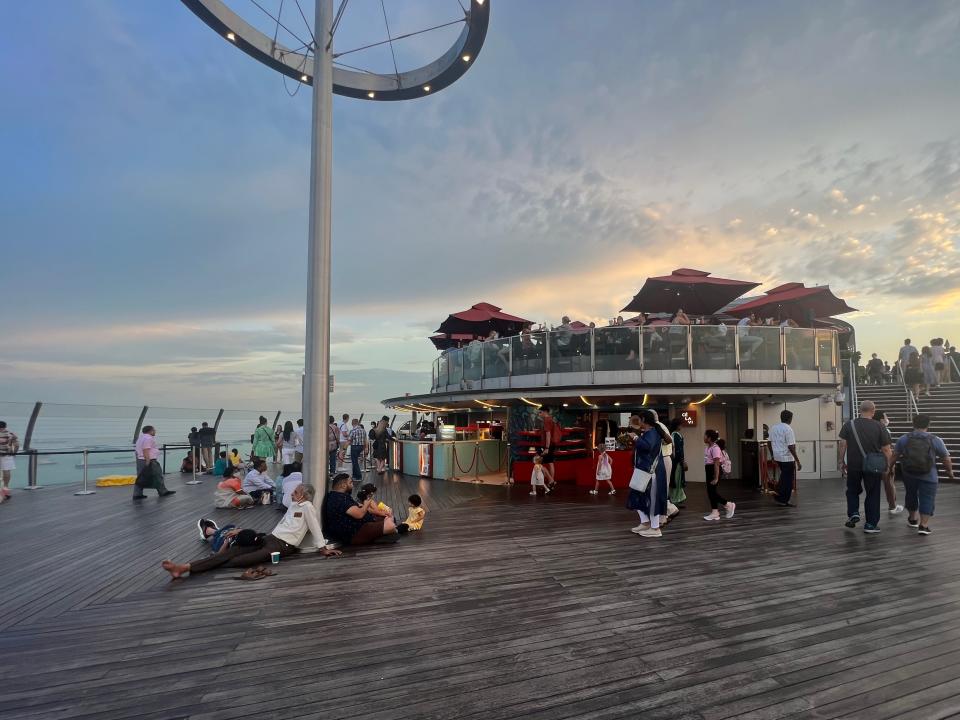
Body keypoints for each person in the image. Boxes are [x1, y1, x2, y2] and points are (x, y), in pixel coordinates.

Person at [162, 484, 341, 579]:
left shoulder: (308, 507)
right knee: (233, 551)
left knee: (239, 560)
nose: (292, 493)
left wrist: (323, 548)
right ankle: (184, 567)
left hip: (283, 545)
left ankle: (193, 567)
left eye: (296, 491)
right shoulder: (294, 505)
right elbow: (282, 524)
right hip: (270, 538)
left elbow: (315, 527)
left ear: (303, 495)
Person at [838, 399, 893, 533]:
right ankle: (870, 524)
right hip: (873, 465)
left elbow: (842, 444)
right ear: (873, 411)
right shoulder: (880, 426)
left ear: (860, 410)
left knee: (852, 490)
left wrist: (840, 461)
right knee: (873, 493)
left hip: (853, 464)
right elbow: (886, 449)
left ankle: (854, 513)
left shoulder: (848, 425)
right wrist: (889, 465)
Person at [895, 414, 955, 535]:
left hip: (909, 474)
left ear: (913, 423)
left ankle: (912, 519)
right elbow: (946, 458)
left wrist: (888, 467)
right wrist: (949, 472)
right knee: (927, 498)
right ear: (928, 424)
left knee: (911, 495)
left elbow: (894, 455)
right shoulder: (935, 439)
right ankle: (923, 525)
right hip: (929, 475)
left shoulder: (904, 438)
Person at [626, 409, 669, 538]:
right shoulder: (651, 432)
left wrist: (635, 438)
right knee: (637, 495)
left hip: (651, 472)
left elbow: (647, 447)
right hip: (645, 470)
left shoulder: (652, 433)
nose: (638, 422)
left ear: (644, 420)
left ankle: (655, 528)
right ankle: (645, 523)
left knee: (652, 499)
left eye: (639, 419)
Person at [321, 473, 398, 546]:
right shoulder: (340, 500)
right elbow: (359, 514)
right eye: (350, 483)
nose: (352, 485)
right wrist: (366, 504)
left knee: (389, 518)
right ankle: (382, 534)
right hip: (354, 532)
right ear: (343, 485)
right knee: (390, 525)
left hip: (360, 524)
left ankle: (381, 534)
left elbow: (358, 505)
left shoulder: (338, 496)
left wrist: (379, 512)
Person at [874, 410, 904, 516]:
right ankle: (892, 506)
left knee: (872, 485)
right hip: (884, 460)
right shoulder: (885, 430)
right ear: (881, 419)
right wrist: (891, 463)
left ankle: (872, 507)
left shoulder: (870, 429)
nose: (887, 419)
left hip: (872, 460)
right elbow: (887, 449)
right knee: (889, 483)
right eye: (886, 417)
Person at [769, 410, 801, 507]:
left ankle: (779, 495)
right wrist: (798, 461)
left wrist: (773, 455)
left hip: (778, 457)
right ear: (790, 419)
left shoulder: (773, 428)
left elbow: (768, 443)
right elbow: (791, 446)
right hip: (787, 458)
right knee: (788, 481)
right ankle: (783, 499)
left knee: (784, 477)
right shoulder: (788, 429)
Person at [133, 426, 175, 499]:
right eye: (154, 430)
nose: (155, 431)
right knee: (158, 475)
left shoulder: (141, 438)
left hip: (140, 459)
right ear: (150, 431)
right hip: (148, 460)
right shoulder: (148, 438)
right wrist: (148, 461)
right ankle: (162, 491)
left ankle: (137, 494)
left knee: (141, 477)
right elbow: (145, 450)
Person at [703, 429, 735, 521]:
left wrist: (716, 477)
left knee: (712, 492)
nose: (703, 437)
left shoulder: (715, 448)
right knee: (710, 492)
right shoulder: (708, 447)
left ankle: (728, 504)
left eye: (705, 436)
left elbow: (717, 464)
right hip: (709, 470)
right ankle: (715, 512)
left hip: (714, 470)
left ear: (709, 438)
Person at [667, 418, 687, 507]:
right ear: (677, 425)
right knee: (676, 480)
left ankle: (677, 499)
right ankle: (674, 500)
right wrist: (682, 461)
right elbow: (678, 450)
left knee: (677, 480)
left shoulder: (674, 435)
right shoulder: (675, 435)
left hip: (676, 461)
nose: (681, 426)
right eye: (680, 424)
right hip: (677, 462)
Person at [538, 406, 558, 488]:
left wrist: (546, 448)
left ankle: (551, 481)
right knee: (550, 463)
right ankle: (551, 483)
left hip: (548, 445)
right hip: (552, 444)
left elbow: (548, 434)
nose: (539, 414)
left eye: (540, 412)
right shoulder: (551, 419)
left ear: (545, 412)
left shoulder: (546, 420)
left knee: (539, 464)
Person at [0, 420, 19, 503]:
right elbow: (17, 445)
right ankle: (6, 489)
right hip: (7, 455)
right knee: (6, 471)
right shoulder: (11, 434)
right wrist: (14, 453)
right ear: (5, 426)